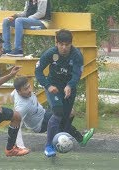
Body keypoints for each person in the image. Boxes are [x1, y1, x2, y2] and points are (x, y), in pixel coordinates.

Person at [35, 29, 85, 157]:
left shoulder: (77, 55)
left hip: (69, 90)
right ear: (56, 43)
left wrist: (70, 85)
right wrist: (48, 85)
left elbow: (77, 74)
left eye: (67, 45)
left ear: (71, 44)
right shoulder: (50, 54)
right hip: (54, 89)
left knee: (64, 119)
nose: (64, 47)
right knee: (58, 112)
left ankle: (64, 140)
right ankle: (48, 146)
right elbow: (38, 71)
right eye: (61, 44)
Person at [11, 76, 94, 150]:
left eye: (29, 86)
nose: (29, 90)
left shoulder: (15, 92)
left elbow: (12, 95)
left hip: (44, 113)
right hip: (40, 124)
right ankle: (75, 139)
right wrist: (20, 146)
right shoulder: (22, 107)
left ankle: (61, 135)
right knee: (65, 114)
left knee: (70, 112)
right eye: (25, 89)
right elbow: (16, 126)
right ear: (19, 92)